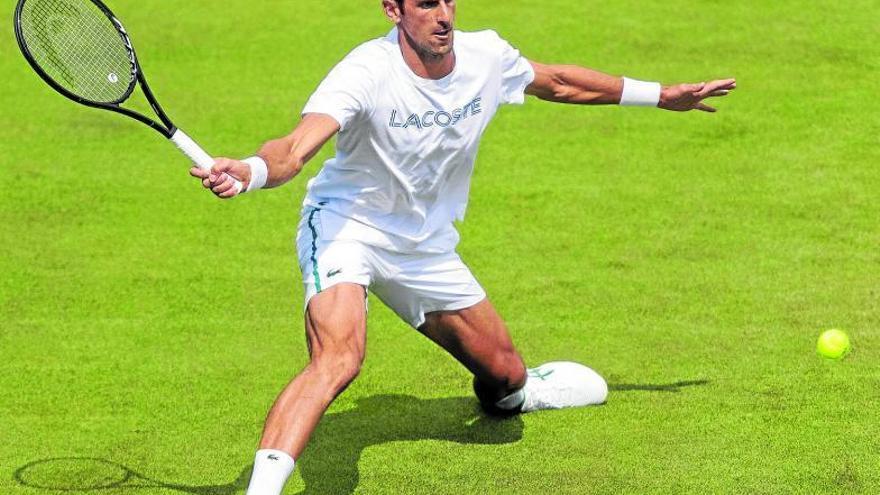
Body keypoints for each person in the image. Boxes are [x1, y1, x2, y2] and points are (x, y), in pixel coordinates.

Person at [190, 1, 736, 493]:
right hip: (348, 229)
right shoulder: (364, 72)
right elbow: (294, 147)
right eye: (427, 4)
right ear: (393, 10)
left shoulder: (486, 57)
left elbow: (560, 82)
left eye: (449, 0)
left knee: (505, 377)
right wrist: (255, 171)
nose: (444, 15)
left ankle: (522, 390)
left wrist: (661, 95)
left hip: (426, 248)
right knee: (339, 357)